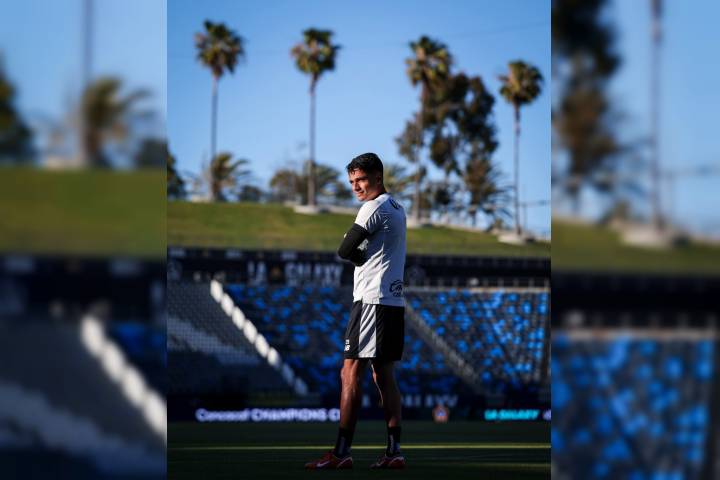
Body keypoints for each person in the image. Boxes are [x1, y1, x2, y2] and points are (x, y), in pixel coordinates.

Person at [305, 152, 407, 470]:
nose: (356, 187)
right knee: (384, 376)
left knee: (349, 373)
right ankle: (394, 452)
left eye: (361, 179)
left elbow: (345, 250)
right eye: (352, 181)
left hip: (371, 300)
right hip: (393, 302)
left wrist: (357, 250)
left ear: (378, 177)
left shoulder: (373, 208)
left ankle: (340, 453)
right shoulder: (397, 207)